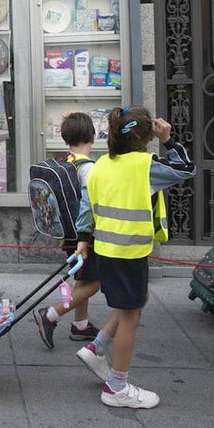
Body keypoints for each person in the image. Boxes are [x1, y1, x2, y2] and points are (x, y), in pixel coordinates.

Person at [73, 106, 196, 409]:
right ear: (147, 135)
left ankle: (97, 346)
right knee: (131, 315)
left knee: (131, 304)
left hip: (106, 248)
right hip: (130, 251)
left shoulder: (99, 165)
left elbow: (87, 208)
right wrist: (168, 139)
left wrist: (82, 240)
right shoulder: (145, 165)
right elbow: (186, 168)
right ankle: (117, 387)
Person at [34, 111, 102, 349]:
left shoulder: (67, 162)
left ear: (65, 139)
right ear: (93, 136)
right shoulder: (90, 169)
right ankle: (51, 314)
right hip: (85, 236)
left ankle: (80, 325)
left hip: (68, 234)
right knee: (95, 283)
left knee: (83, 280)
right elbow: (88, 205)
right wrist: (87, 235)